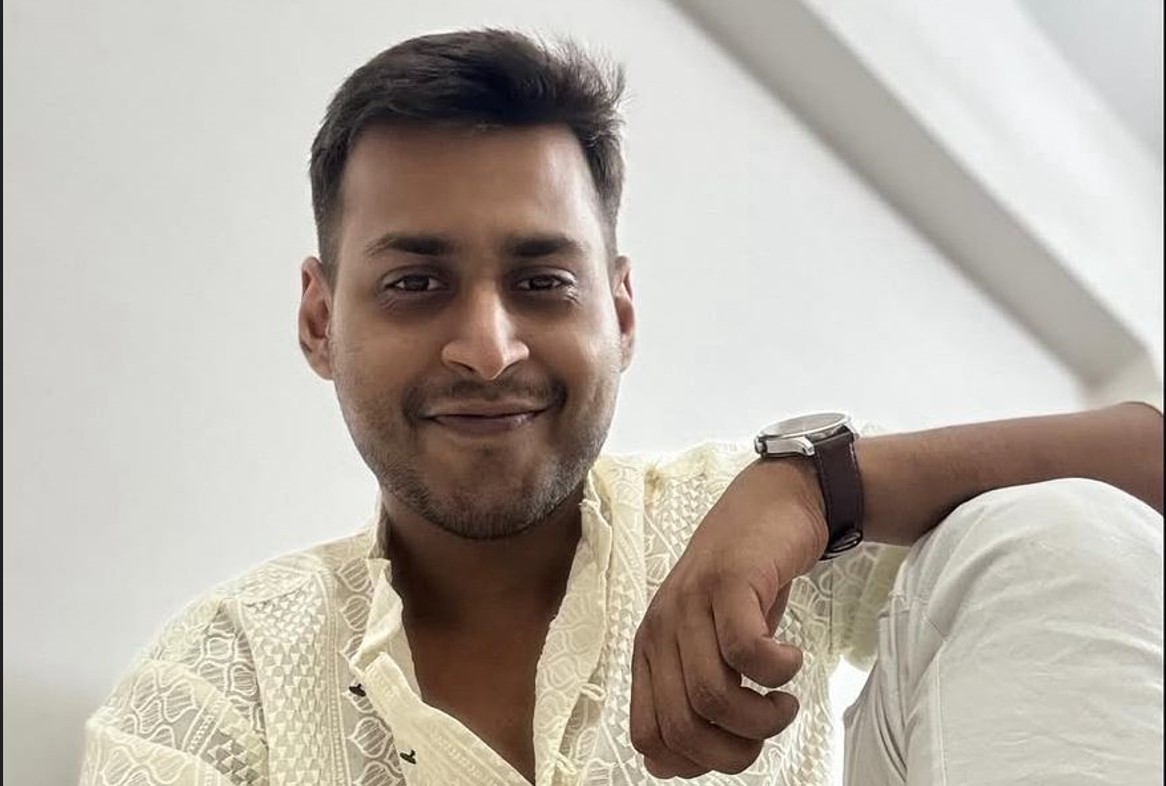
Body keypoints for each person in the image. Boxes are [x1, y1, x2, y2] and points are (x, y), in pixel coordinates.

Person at [80, 29, 1164, 786]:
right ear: (321, 321)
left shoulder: (722, 533)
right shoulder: (216, 689)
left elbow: (1129, 503)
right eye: (414, 282)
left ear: (621, 310)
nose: (487, 347)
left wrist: (812, 487)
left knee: (1043, 529)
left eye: (542, 280)